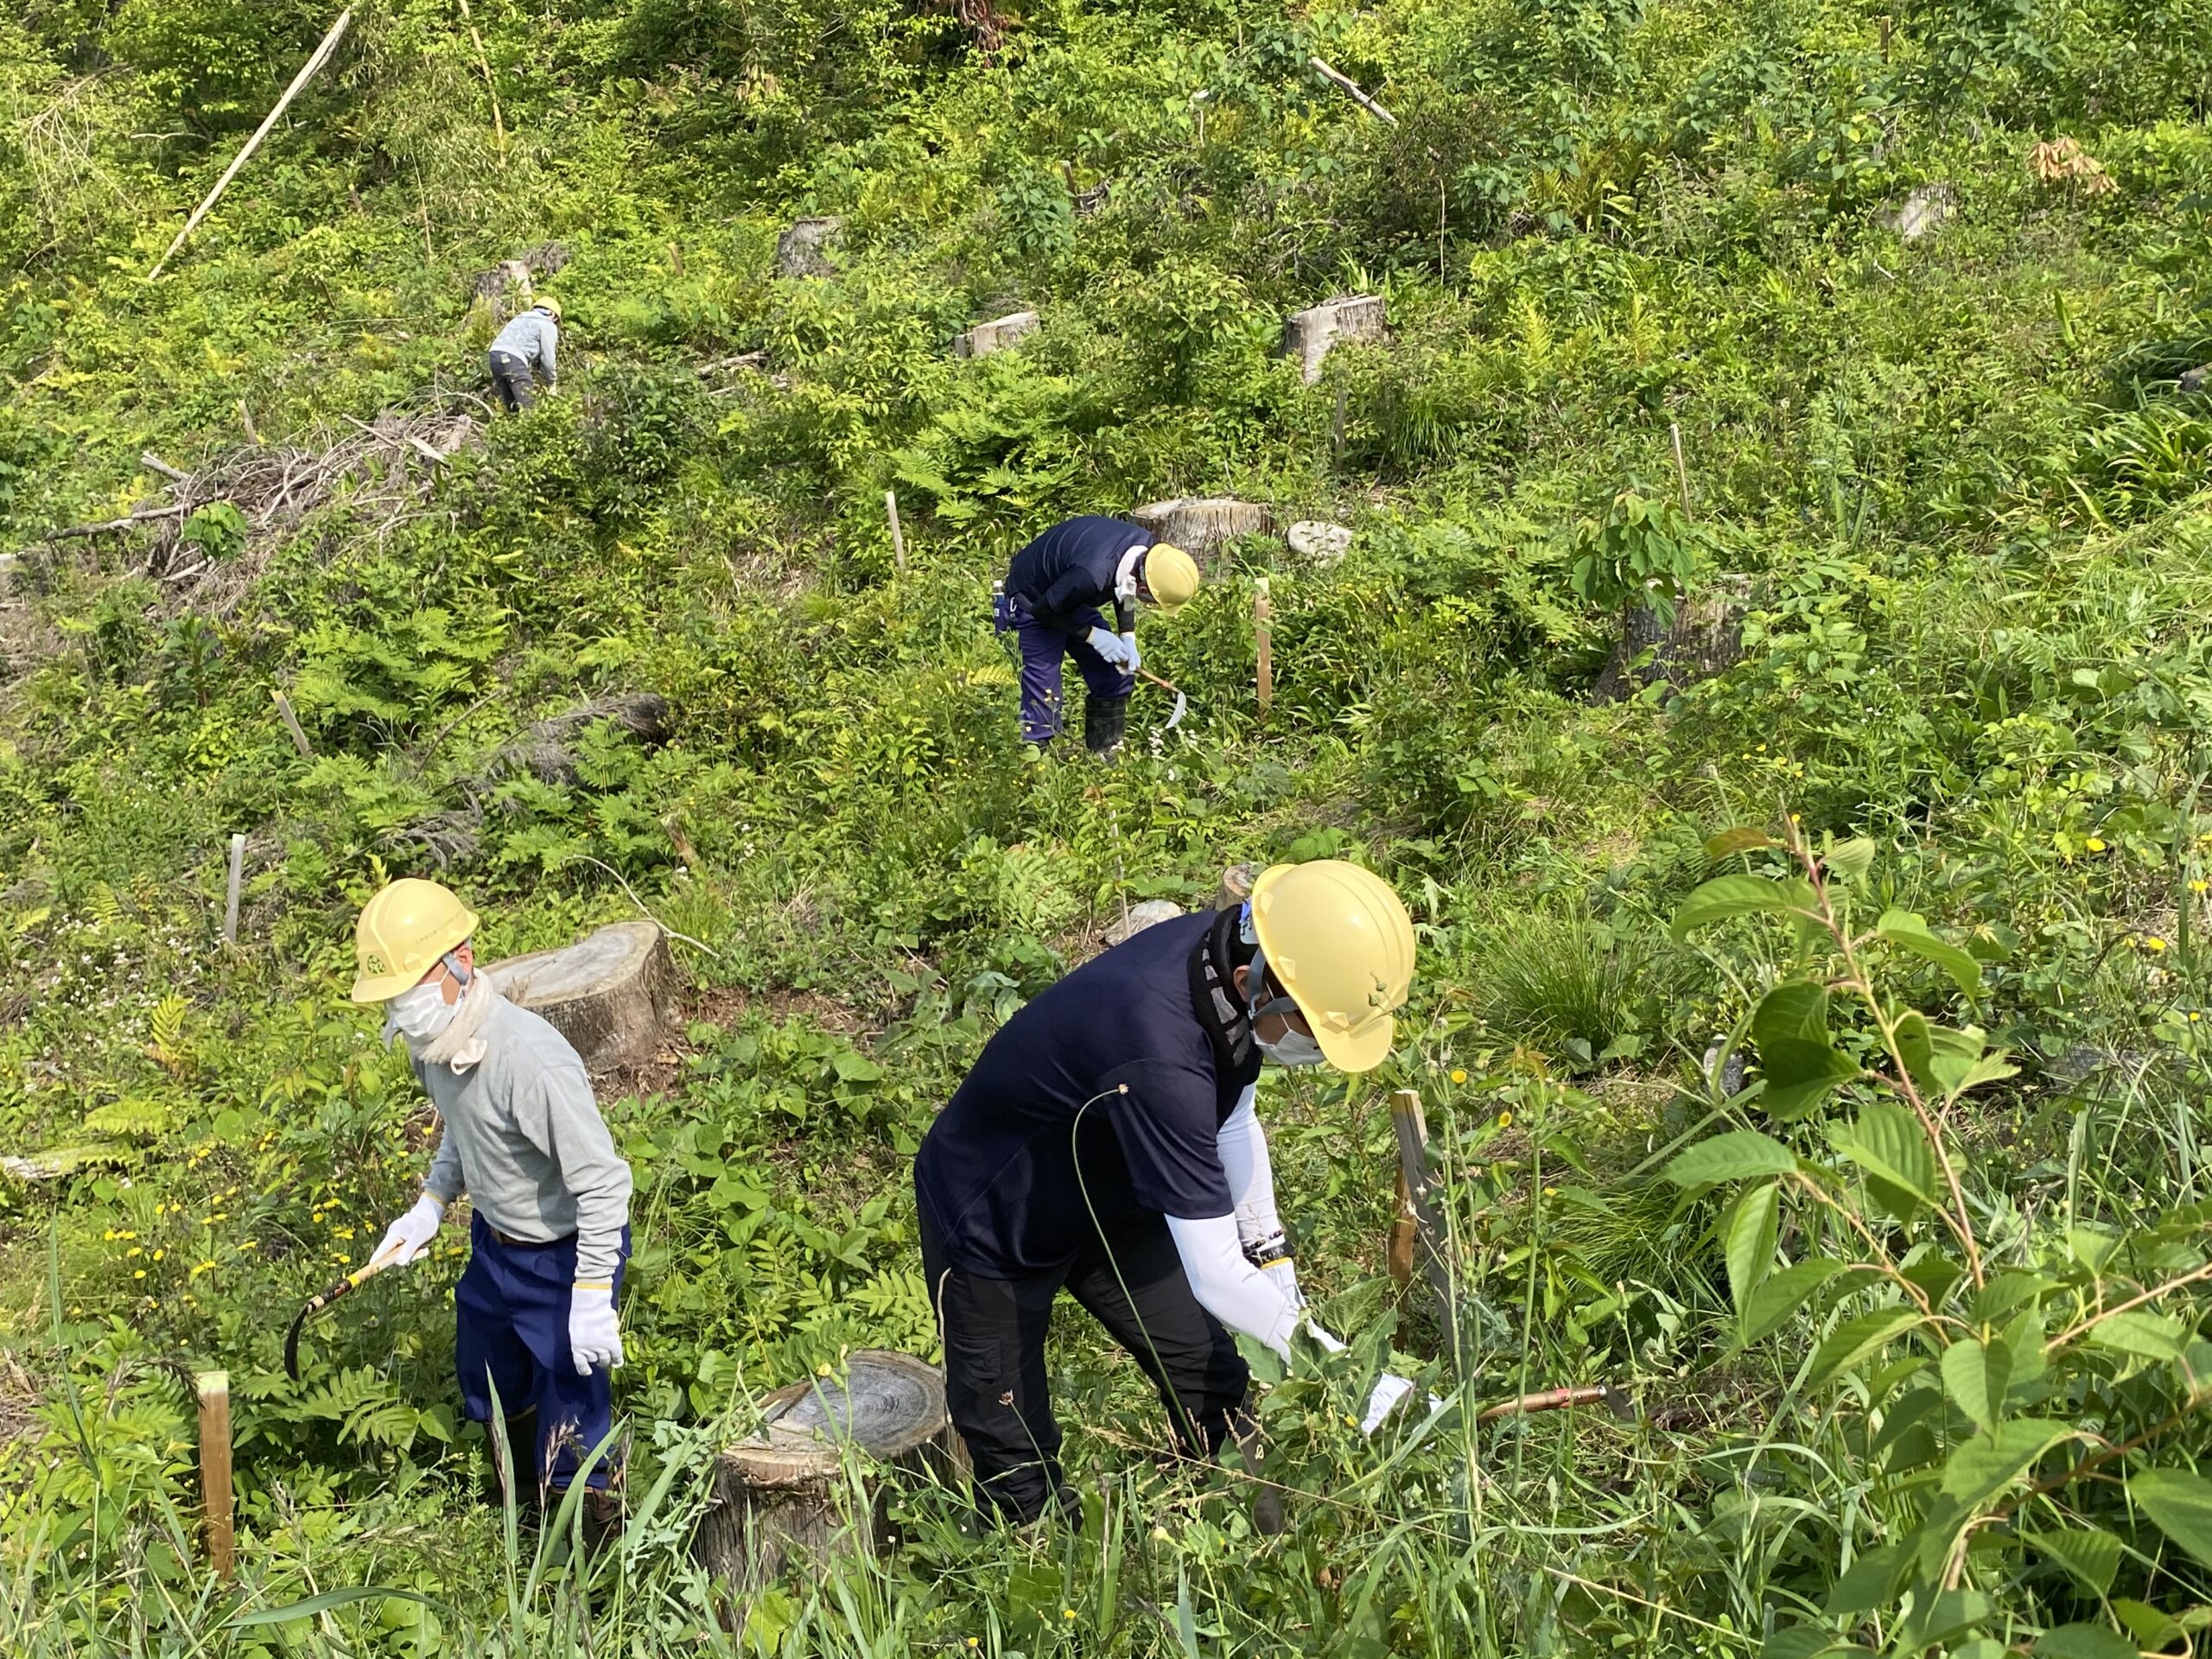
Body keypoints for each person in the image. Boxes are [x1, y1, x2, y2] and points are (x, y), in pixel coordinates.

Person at [912, 859, 1419, 1527]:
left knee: (1214, 1380)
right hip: (995, 1221)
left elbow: (1235, 1119)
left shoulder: (1222, 968)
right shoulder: (1160, 1053)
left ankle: (1269, 1548)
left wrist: (1276, 1267)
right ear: (1254, 981)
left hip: (1118, 1189)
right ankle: (1048, 1600)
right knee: (1015, 1454)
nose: (1317, 1052)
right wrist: (1349, 1375)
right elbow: (1214, 1274)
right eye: (1312, 1031)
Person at [350, 878, 632, 1543]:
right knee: (492, 1382)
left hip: (565, 1257)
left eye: (410, 988)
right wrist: (429, 1204)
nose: (402, 1010)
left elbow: (602, 1184)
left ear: (461, 962)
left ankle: (589, 1567)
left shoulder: (529, 1059)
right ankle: (522, 1521)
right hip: (494, 1247)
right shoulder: (435, 1046)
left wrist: (591, 1294)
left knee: (575, 1418)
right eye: (391, 998)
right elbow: (464, 1127)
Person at [994, 516, 1201, 755]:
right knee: (1044, 700)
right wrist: (1094, 636)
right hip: (1031, 603)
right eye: (1152, 601)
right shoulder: (1091, 574)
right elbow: (1044, 610)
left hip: (1067, 595)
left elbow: (1127, 591)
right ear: (1145, 589)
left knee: (1116, 674)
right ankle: (1038, 772)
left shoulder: (1144, 552)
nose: (1148, 604)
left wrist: (1128, 636)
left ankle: (1105, 755)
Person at [488, 296, 561, 411]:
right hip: (514, 359)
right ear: (553, 315)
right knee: (528, 405)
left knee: (513, 407)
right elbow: (548, 358)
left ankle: (509, 426)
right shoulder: (547, 324)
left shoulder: (519, 318)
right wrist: (552, 382)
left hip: (494, 356)